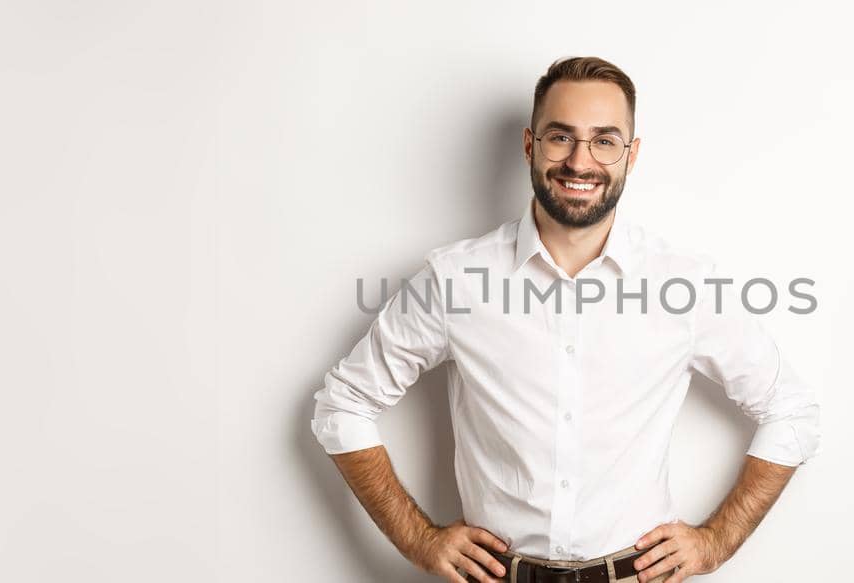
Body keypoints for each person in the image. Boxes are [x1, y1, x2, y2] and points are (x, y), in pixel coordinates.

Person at [311, 56, 822, 583]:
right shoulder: (455, 281)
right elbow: (343, 404)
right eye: (561, 137)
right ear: (531, 145)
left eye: (605, 140)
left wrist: (716, 542)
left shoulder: (684, 285)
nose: (581, 162)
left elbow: (792, 410)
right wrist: (418, 539)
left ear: (631, 154)